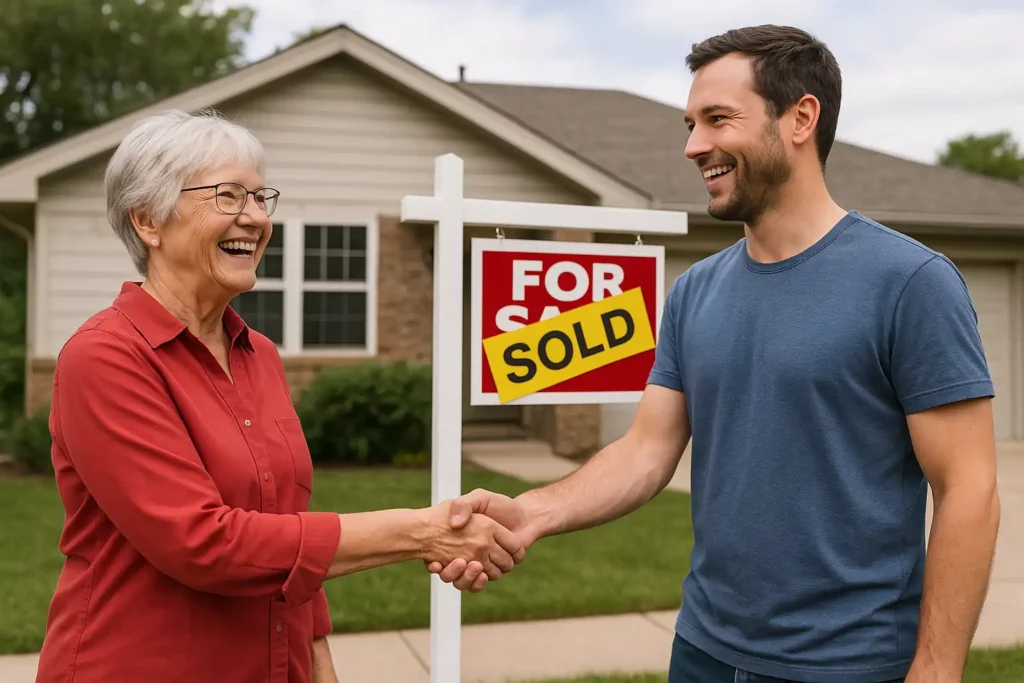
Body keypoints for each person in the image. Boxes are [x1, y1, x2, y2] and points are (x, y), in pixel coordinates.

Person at [428, 25, 1001, 683]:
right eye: (690, 124)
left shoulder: (909, 283)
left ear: (800, 118)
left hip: (847, 662)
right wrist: (532, 512)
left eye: (718, 120)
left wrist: (936, 669)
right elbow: (646, 450)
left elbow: (969, 490)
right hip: (703, 649)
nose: (694, 145)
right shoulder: (695, 291)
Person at [35, 108, 525, 683]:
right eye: (228, 197)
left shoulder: (258, 354)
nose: (255, 218)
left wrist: (318, 665)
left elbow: (288, 525)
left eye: (261, 197)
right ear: (148, 220)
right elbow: (203, 543)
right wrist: (422, 532)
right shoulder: (106, 356)